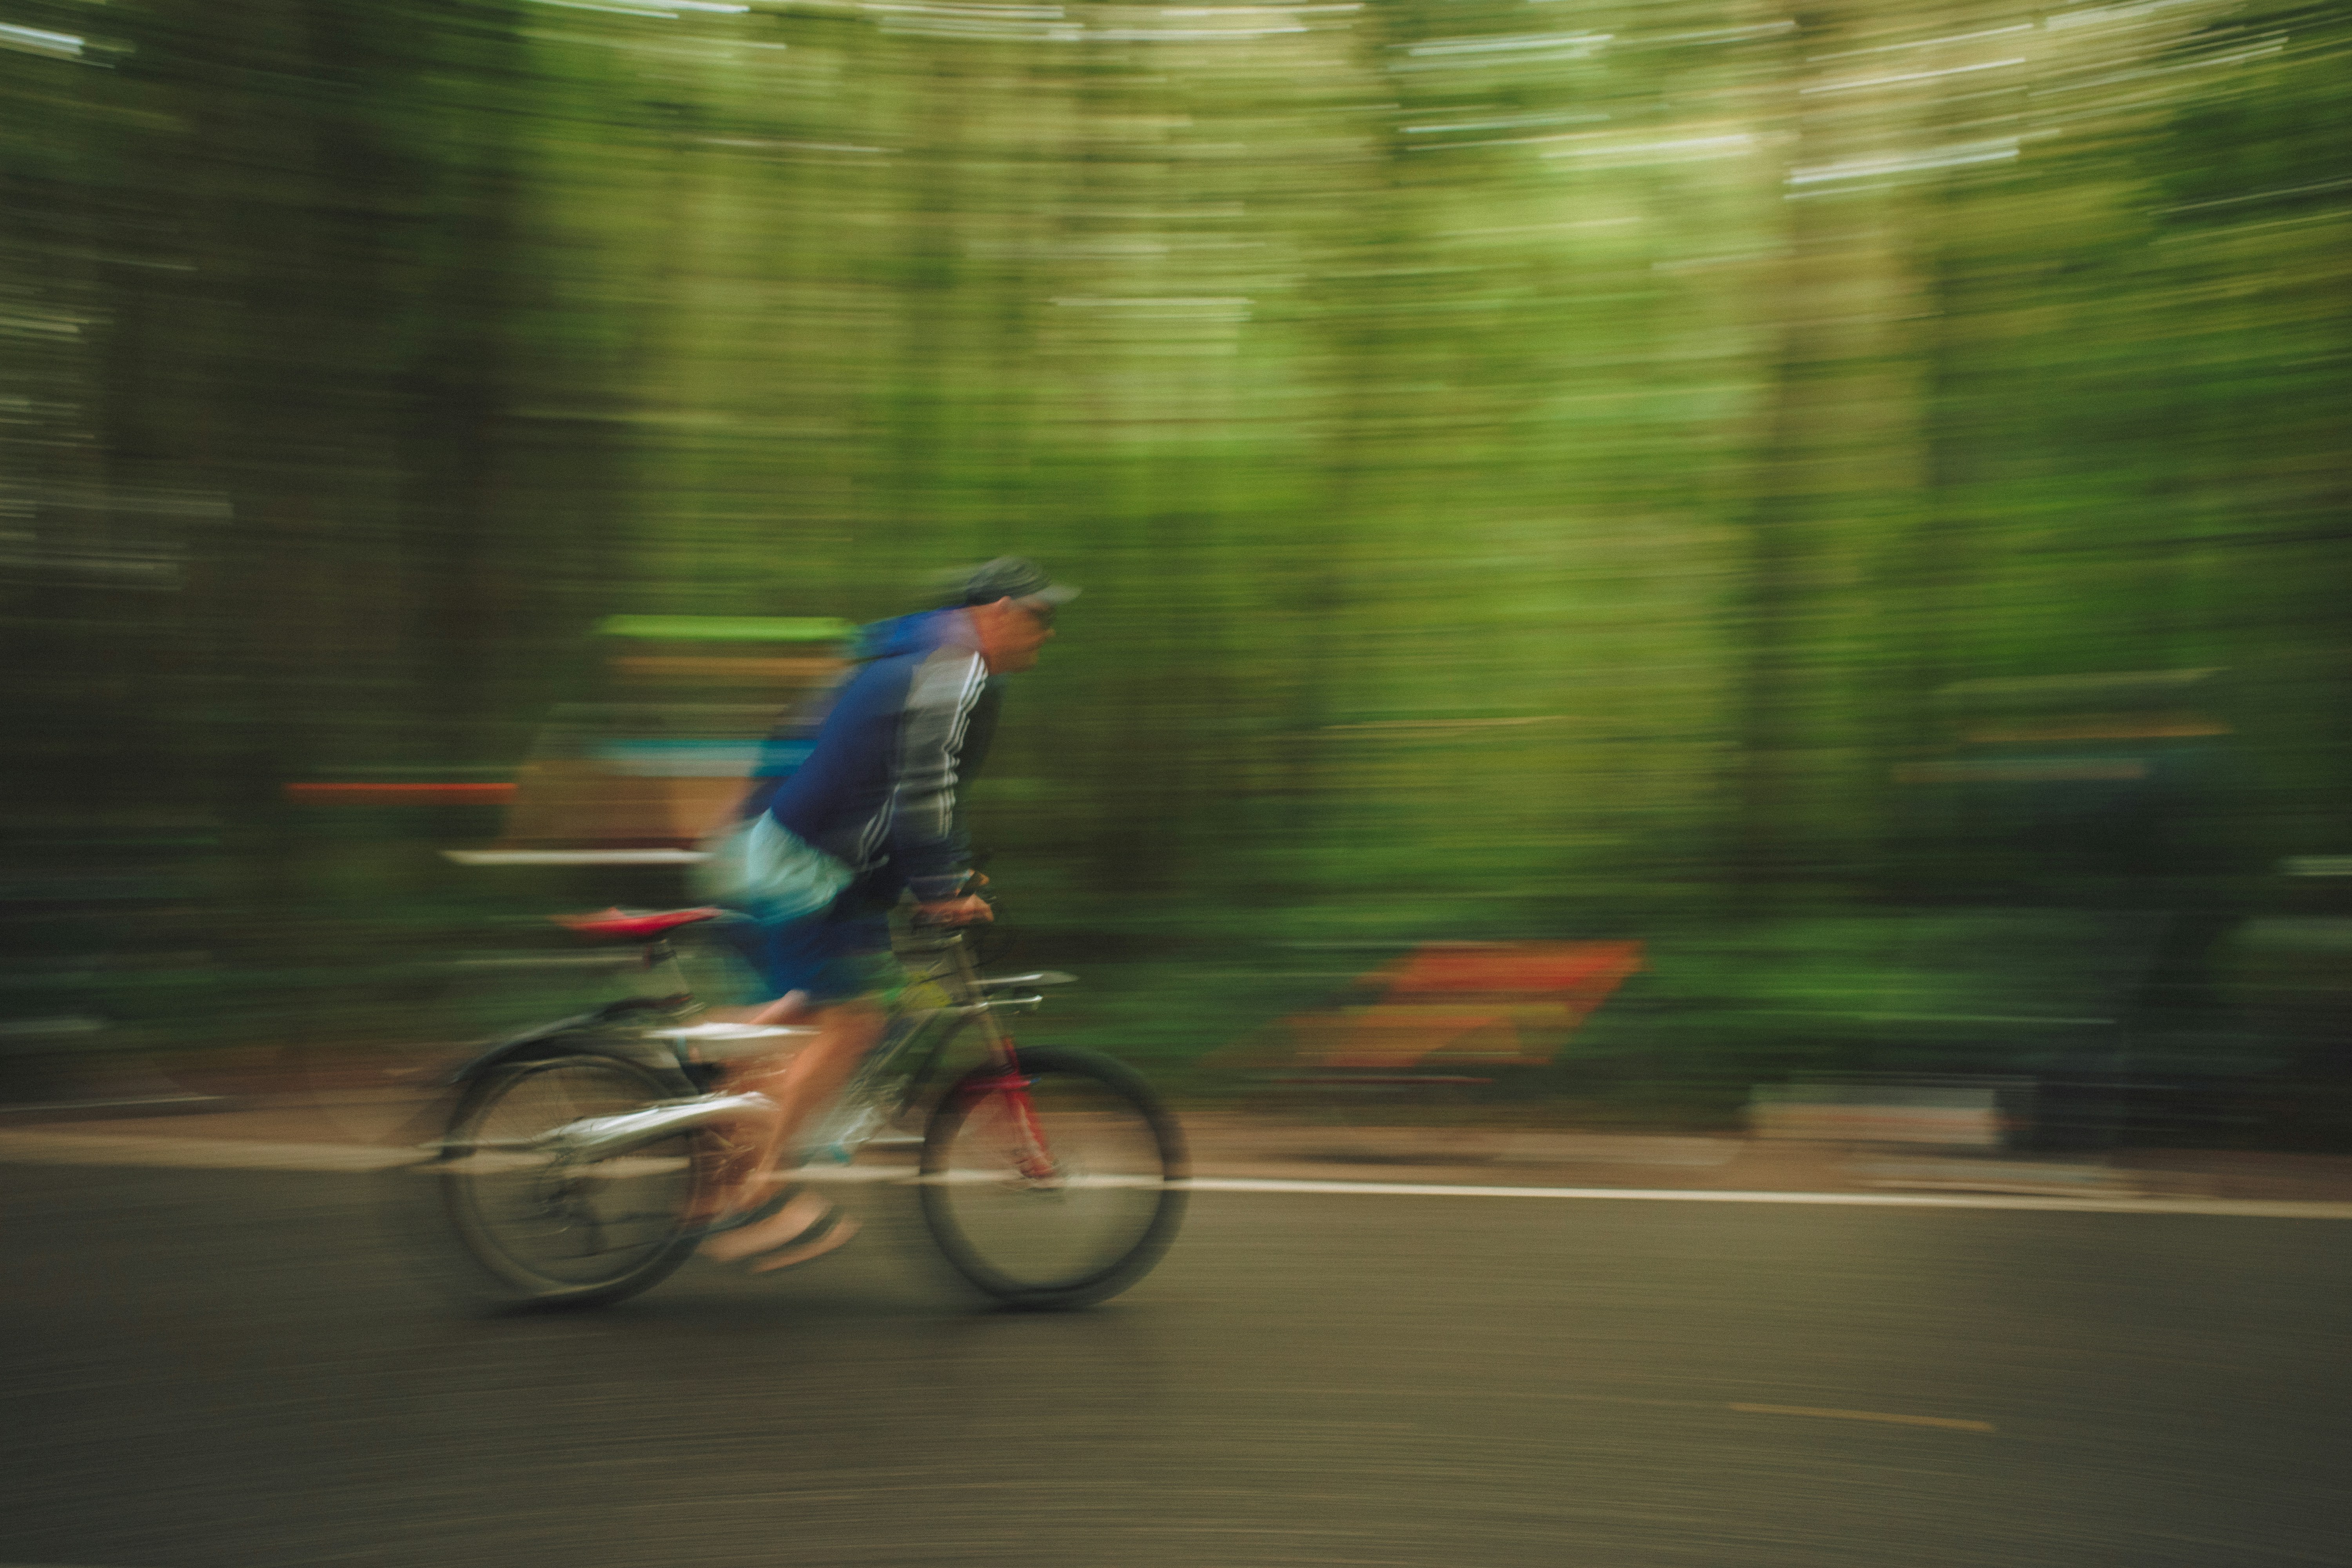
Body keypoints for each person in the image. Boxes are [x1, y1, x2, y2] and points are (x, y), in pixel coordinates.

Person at [696, 558, 1073, 1270]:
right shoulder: (954, 668)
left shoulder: (919, 658)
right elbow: (922, 790)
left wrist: (945, 873)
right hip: (808, 859)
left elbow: (895, 780)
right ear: (999, 611)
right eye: (1038, 616)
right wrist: (938, 885)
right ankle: (758, 1192)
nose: (1045, 634)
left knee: (849, 1011)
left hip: (817, 856)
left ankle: (706, 1108)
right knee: (854, 1020)